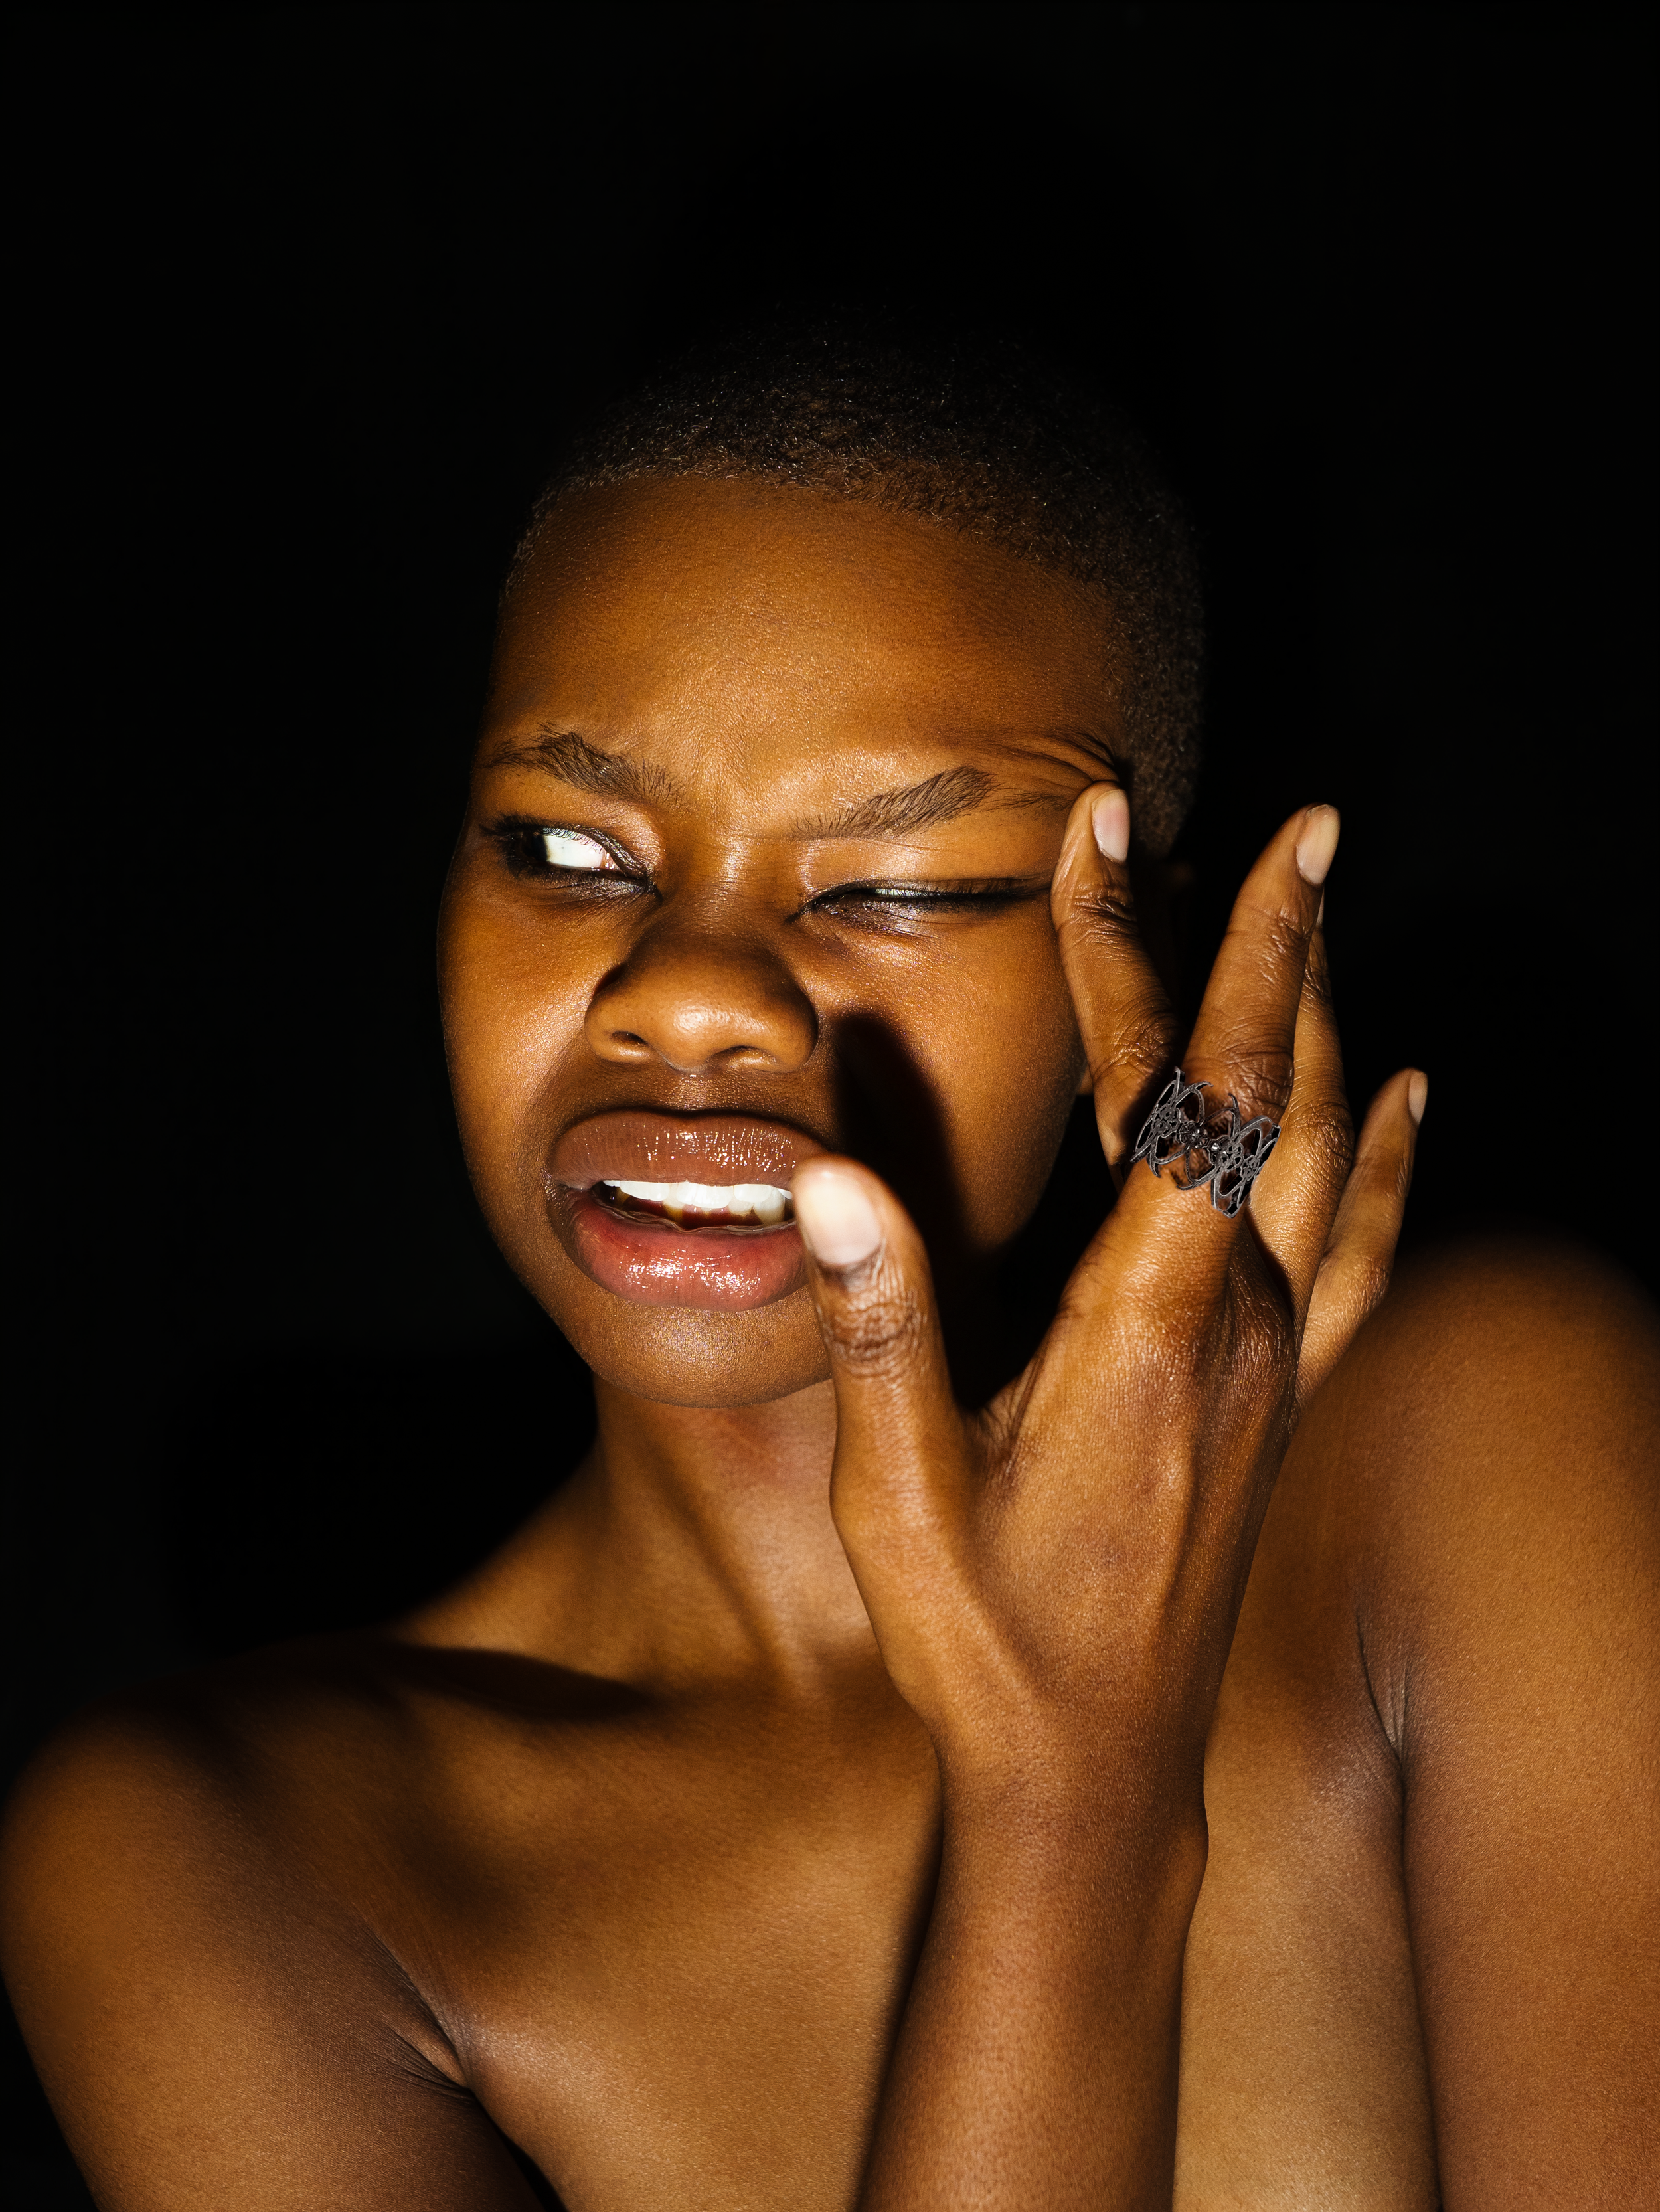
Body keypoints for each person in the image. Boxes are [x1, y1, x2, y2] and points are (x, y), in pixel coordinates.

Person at [3, 328, 1655, 2210]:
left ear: (1137, 966)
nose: (686, 993)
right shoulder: (244, 1856)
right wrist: (1068, 1806)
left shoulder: (1481, 1455)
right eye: (565, 849)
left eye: (892, 888)